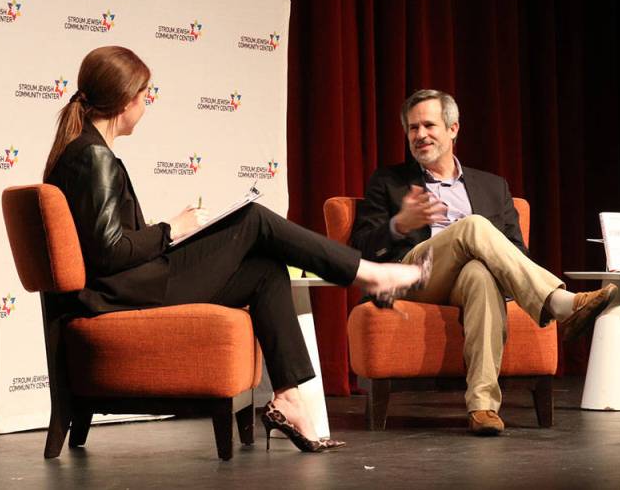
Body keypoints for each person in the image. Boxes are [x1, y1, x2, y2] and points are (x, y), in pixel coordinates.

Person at [43, 46, 431, 453]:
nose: (146, 104)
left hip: (122, 284)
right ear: (126, 101)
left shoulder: (84, 151)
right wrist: (170, 229)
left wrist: (176, 236)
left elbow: (109, 243)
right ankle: (369, 272)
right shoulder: (93, 156)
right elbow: (109, 252)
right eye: (145, 95)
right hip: (116, 292)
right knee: (253, 220)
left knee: (264, 269)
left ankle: (289, 398)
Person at [351, 89, 616, 436]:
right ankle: (558, 302)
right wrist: (399, 224)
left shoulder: (493, 186)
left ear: (453, 128)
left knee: (480, 275)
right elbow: (359, 248)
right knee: (474, 225)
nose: (420, 135)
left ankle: (482, 408)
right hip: (411, 276)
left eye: (429, 125)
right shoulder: (388, 181)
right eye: (413, 128)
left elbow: (516, 251)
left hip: (463, 281)